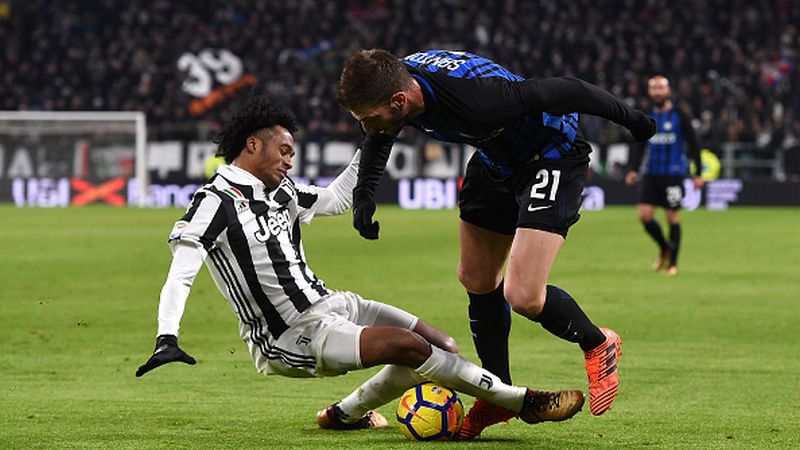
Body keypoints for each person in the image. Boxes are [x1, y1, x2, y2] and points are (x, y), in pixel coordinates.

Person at [134, 97, 586, 433]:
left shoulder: (282, 192)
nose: (291, 161)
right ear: (252, 145)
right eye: (285, 151)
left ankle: (342, 415)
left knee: (439, 344)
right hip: (289, 335)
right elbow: (183, 268)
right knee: (408, 348)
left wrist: (376, 135)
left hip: (332, 304)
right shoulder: (215, 202)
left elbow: (337, 196)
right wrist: (167, 335)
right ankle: (519, 400)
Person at [336, 49, 657, 438]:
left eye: (369, 118)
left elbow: (568, 90)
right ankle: (498, 394)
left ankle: (598, 342)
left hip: (550, 154)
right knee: (476, 277)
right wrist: (365, 192)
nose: (367, 128)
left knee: (523, 295)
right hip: (496, 159)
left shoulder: (479, 100)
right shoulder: (394, 81)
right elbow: (380, 134)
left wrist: (634, 121)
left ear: (399, 101)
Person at [625, 76, 704, 275]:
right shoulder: (647, 115)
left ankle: (673, 264)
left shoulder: (679, 115)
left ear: (668, 91)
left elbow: (693, 143)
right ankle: (665, 248)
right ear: (649, 92)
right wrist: (633, 169)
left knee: (672, 216)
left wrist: (698, 173)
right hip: (651, 173)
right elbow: (639, 144)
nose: (657, 92)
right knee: (644, 216)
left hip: (673, 174)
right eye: (654, 88)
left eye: (661, 88)